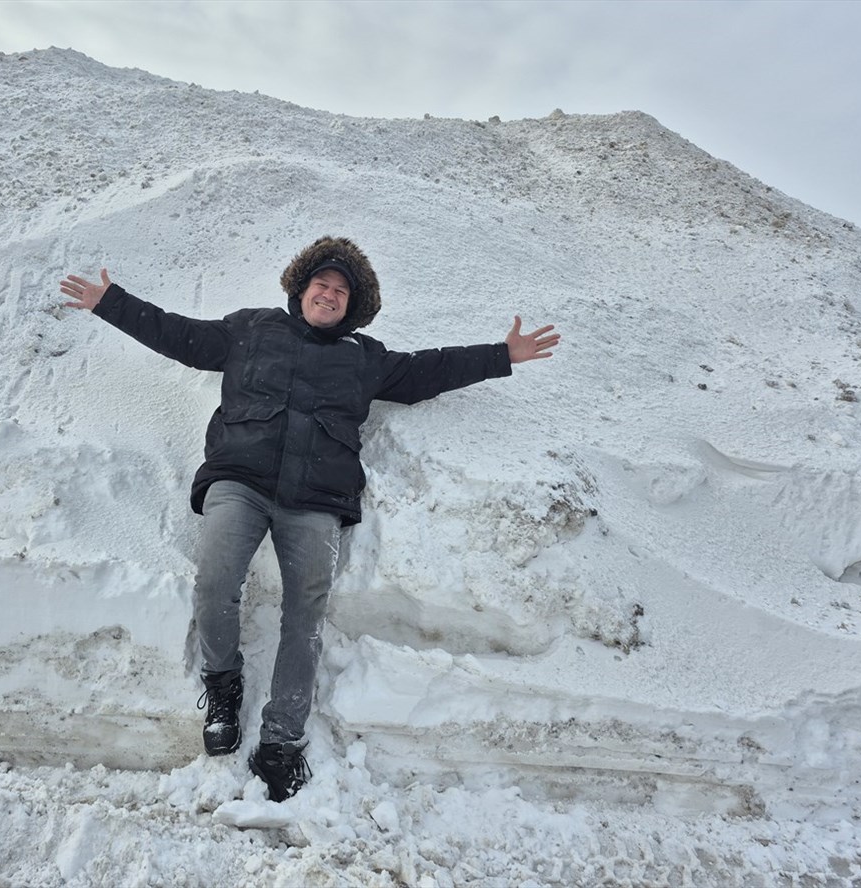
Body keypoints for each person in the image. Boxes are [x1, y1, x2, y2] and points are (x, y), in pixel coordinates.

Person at [60, 236, 559, 802]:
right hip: (240, 482)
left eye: (342, 291)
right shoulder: (251, 329)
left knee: (307, 612)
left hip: (316, 499)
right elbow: (181, 335)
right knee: (216, 582)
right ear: (302, 289)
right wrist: (111, 302)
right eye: (322, 284)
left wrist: (502, 355)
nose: (330, 294)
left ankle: (282, 736)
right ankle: (222, 687)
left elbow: (430, 370)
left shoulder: (365, 359)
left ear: (353, 305)